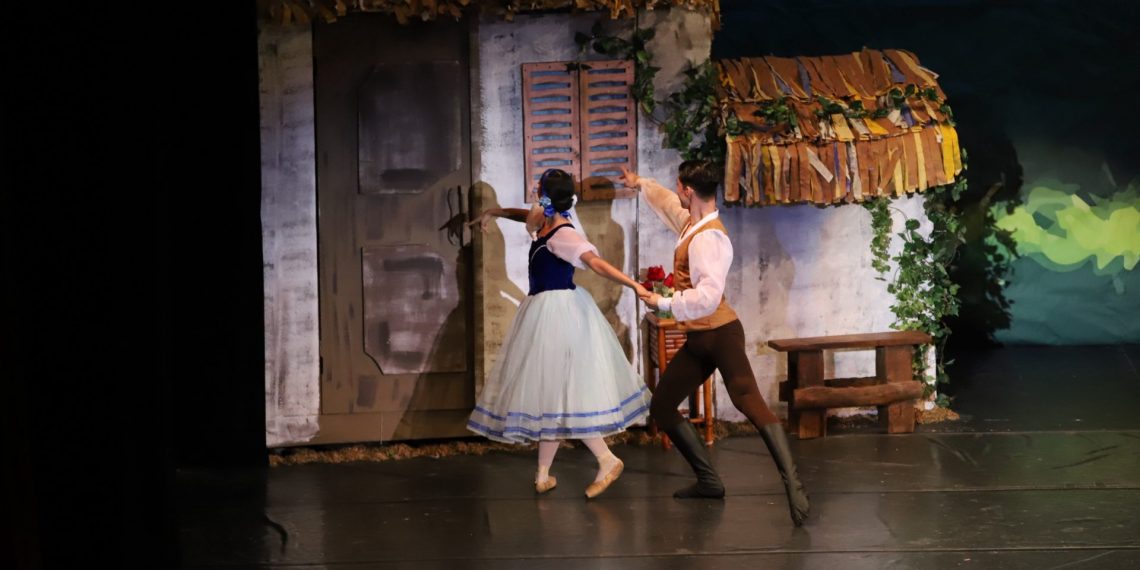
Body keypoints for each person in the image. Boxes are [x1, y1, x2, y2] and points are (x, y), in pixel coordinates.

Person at [620, 161, 810, 526]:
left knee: (749, 402)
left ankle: (793, 483)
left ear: (689, 190)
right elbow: (666, 202)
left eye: (679, 186)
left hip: (721, 334)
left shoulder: (710, 239)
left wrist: (664, 302)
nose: (676, 191)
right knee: (662, 406)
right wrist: (640, 182)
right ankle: (709, 481)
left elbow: (708, 297)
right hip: (699, 340)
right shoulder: (691, 222)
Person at [466, 169, 651, 499]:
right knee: (550, 391)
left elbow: (595, 263)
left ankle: (606, 459)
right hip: (545, 311)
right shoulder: (546, 220)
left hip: (559, 316)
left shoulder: (564, 233)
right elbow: (527, 215)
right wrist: (495, 212)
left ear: (544, 194)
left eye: (538, 188)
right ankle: (542, 474)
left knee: (559, 392)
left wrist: (634, 285)